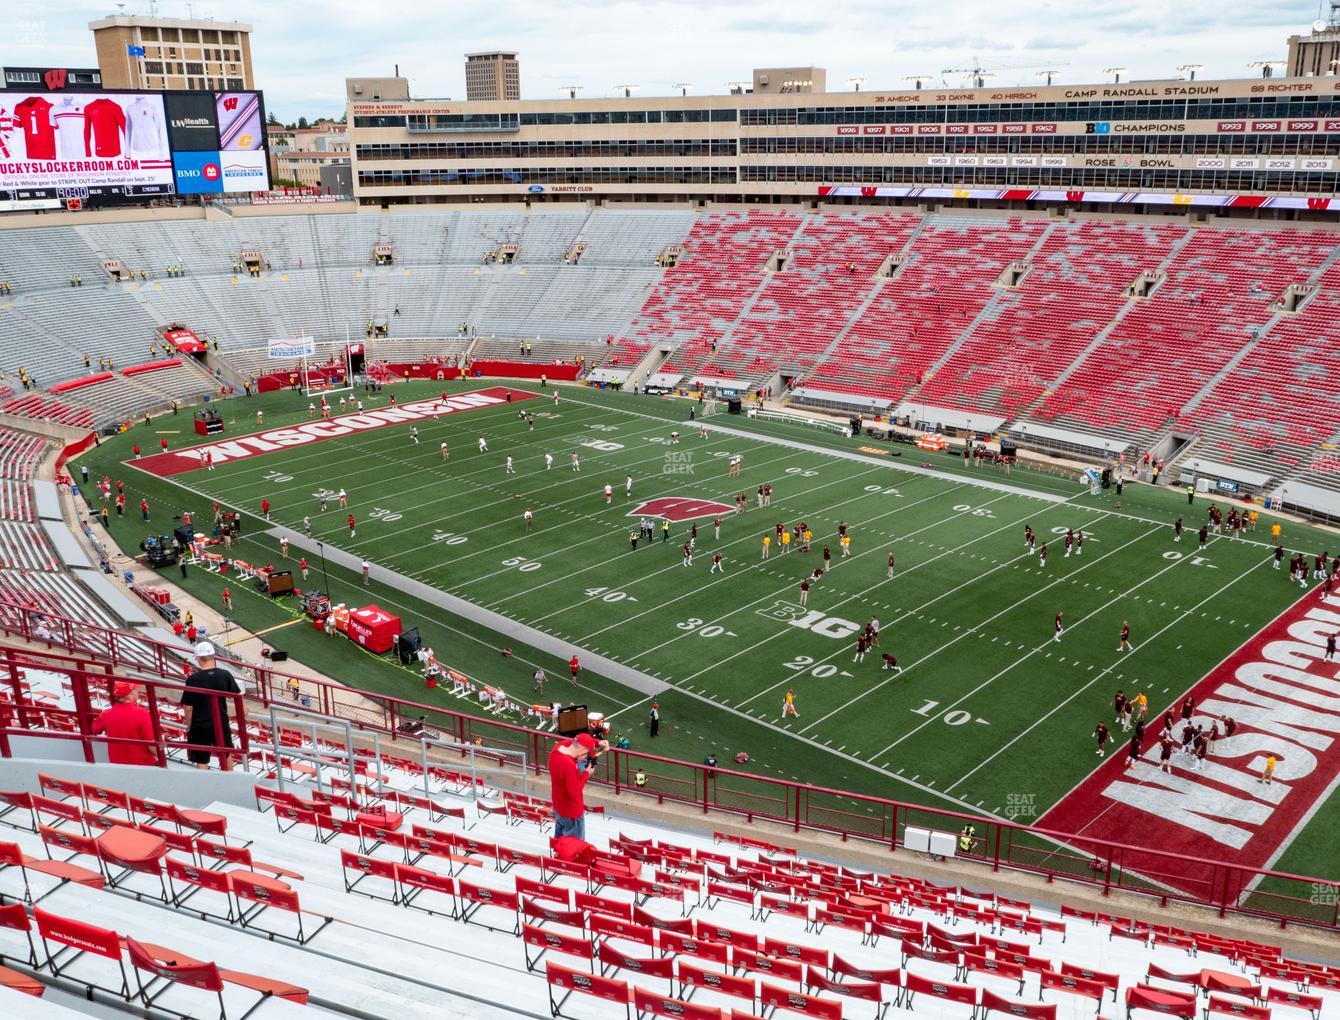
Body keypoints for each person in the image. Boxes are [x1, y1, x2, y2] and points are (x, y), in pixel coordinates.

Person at [180, 642, 242, 770]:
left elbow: (188, 707)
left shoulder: (193, 679)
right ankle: (229, 779)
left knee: (201, 758)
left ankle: (205, 785)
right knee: (226, 753)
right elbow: (237, 698)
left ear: (197, 658)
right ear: (213, 655)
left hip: (200, 723)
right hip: (221, 720)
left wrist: (189, 725)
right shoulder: (225, 674)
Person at [548, 732, 606, 839]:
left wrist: (598, 743)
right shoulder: (569, 765)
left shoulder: (559, 747)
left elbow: (579, 743)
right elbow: (573, 794)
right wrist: (587, 773)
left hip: (558, 806)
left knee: (560, 842)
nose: (585, 758)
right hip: (571, 813)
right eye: (586, 754)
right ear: (582, 750)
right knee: (574, 848)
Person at [92, 682, 157, 766]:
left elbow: (94, 729)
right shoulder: (142, 713)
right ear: (129, 695)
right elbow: (151, 745)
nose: (138, 692)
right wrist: (163, 759)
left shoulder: (107, 714)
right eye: (136, 690)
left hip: (117, 765)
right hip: (143, 765)